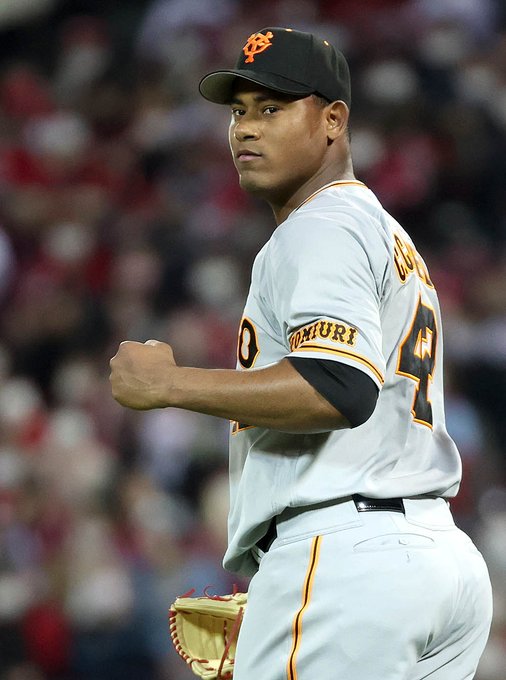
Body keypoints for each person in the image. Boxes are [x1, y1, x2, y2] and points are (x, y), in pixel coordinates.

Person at [110, 27, 493, 679]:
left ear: (334, 120)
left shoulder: (321, 225)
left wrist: (169, 385)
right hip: (431, 558)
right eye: (239, 112)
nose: (246, 129)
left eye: (272, 108)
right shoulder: (381, 231)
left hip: (349, 557)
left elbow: (339, 387)